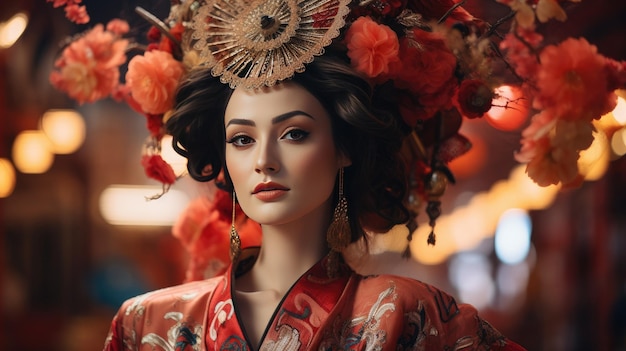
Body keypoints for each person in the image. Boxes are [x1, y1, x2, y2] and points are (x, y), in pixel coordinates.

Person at [102, 48, 526, 351]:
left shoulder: (408, 315)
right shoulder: (149, 324)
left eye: (294, 134)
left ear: (344, 149)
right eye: (242, 139)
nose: (264, 161)